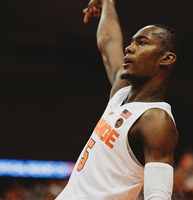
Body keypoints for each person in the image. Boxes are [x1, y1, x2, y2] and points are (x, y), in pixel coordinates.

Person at [55, 0, 185, 199]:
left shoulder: (156, 120)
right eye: (132, 41)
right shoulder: (122, 92)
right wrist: (107, 2)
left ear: (166, 59)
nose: (129, 48)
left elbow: (158, 195)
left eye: (141, 43)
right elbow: (108, 39)